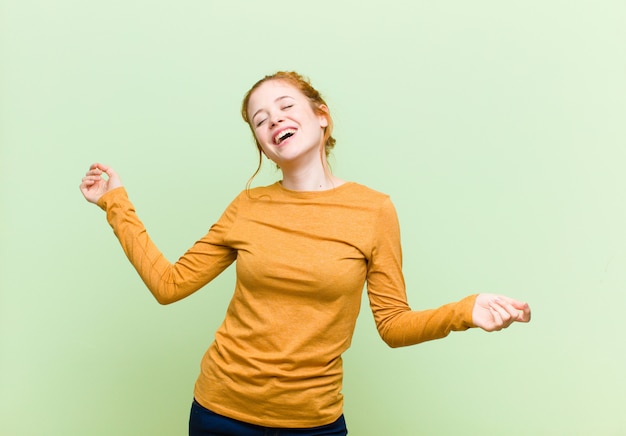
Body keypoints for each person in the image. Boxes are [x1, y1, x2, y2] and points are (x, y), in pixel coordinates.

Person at [79, 71, 531, 436]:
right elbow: (170, 284)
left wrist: (465, 311)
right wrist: (115, 202)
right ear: (262, 143)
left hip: (313, 424)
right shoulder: (248, 207)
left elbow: (392, 325)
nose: (273, 120)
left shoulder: (373, 210)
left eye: (285, 106)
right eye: (260, 119)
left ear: (321, 117)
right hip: (220, 414)